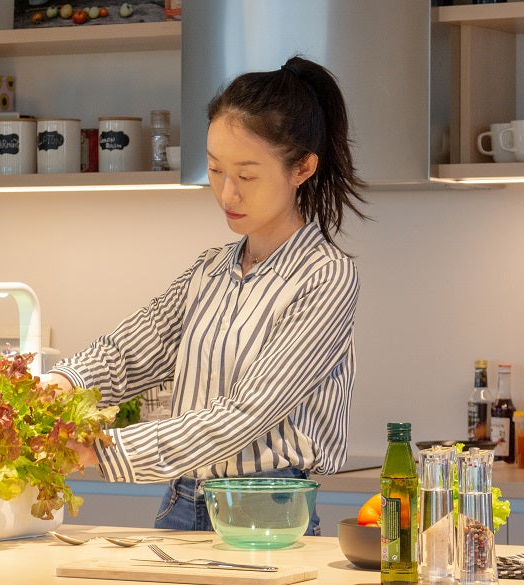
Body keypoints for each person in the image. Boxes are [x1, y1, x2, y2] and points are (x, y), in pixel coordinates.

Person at [41, 56, 368, 533]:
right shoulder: (209, 270)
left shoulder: (326, 279)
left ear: (302, 168)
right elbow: (130, 352)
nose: (227, 194)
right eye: (216, 171)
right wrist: (61, 385)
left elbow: (245, 414)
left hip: (266, 513)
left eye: (247, 175)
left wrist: (102, 450)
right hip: (181, 500)